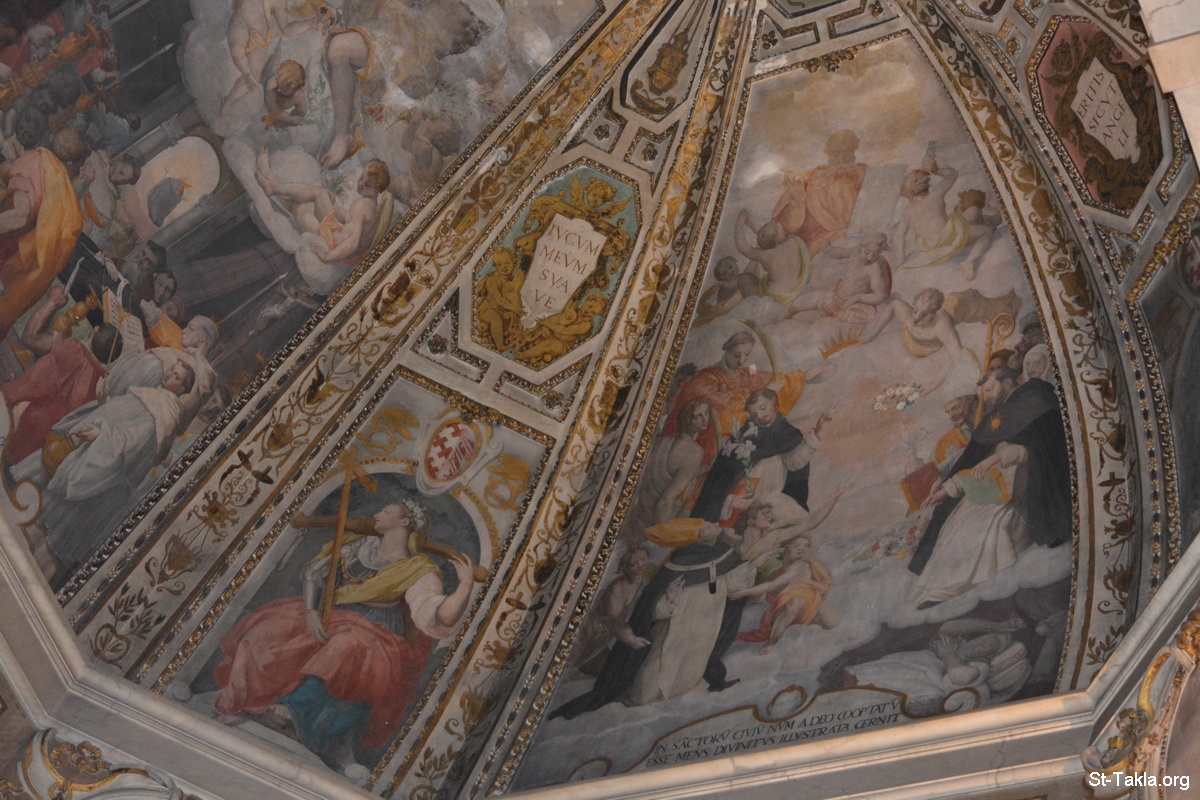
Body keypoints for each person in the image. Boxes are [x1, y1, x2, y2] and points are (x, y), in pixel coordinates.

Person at [214, 501, 475, 761]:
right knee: (269, 629)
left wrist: (464, 586)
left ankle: (292, 713)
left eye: (386, 511)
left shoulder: (418, 569)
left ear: (405, 522)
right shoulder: (360, 546)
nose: (377, 513)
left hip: (376, 629)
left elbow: (439, 614)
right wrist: (311, 612)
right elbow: (314, 573)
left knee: (345, 648)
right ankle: (253, 698)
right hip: (333, 613)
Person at [549, 519, 776, 718]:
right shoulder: (680, 561)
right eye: (708, 526)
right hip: (679, 622)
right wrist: (669, 599)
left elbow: (731, 584)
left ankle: (685, 686)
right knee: (657, 669)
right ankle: (646, 693)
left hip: (709, 617)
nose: (716, 525)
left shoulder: (724, 552)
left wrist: (755, 564)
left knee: (695, 655)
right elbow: (653, 606)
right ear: (698, 537)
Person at [909, 368, 1072, 608]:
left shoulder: (1033, 402)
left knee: (980, 525)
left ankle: (949, 588)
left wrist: (997, 458)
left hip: (1021, 488)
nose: (987, 397)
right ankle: (931, 588)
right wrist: (947, 490)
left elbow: (1038, 449)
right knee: (954, 522)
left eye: (990, 389)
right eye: (984, 392)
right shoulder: (999, 416)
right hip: (992, 485)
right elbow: (974, 462)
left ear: (1007, 383)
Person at [32, 360, 195, 570]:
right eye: (172, 369)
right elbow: (120, 414)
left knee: (54, 539)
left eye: (177, 377)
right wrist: (103, 400)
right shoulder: (154, 395)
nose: (170, 374)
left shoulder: (166, 415)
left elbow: (135, 442)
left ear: (181, 389)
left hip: (104, 477)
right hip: (92, 456)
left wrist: (102, 436)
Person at [2, 285, 123, 463]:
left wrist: (52, 302)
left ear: (95, 330)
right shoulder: (99, 388)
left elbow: (30, 337)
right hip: (28, 451)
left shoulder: (71, 348)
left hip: (11, 412)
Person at [691, 388, 831, 523]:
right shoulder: (744, 436)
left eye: (763, 408)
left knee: (801, 519)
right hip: (738, 508)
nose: (759, 415)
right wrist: (730, 500)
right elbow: (721, 479)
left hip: (769, 502)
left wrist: (817, 432)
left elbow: (794, 462)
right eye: (753, 414)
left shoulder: (788, 434)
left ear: (774, 402)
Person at [0, 128, 87, 339]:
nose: (78, 171)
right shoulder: (54, 180)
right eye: (79, 165)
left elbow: (20, 212)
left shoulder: (37, 160)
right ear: (70, 162)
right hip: (12, 251)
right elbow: (21, 215)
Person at [256, 151, 389, 266]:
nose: (360, 184)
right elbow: (348, 218)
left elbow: (353, 242)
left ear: (377, 188)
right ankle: (272, 186)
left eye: (367, 184)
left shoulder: (362, 205)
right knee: (320, 194)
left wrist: (328, 257)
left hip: (332, 243)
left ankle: (271, 185)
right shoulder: (372, 206)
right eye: (361, 178)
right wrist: (334, 205)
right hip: (337, 238)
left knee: (299, 207)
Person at [770, 129, 867, 256]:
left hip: (857, 238)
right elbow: (788, 227)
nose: (842, 160)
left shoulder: (863, 174)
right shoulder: (812, 179)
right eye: (836, 155)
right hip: (818, 244)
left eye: (848, 154)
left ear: (854, 153)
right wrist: (798, 201)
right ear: (828, 154)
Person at [733, 536, 837, 655]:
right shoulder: (774, 575)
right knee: (794, 603)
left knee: (825, 616)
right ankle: (772, 642)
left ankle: (776, 642)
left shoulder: (803, 565)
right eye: (796, 546)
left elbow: (772, 585)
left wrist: (746, 591)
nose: (802, 549)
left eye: (805, 546)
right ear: (783, 549)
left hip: (808, 610)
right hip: (783, 615)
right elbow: (756, 597)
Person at [628, 397, 714, 534]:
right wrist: (665, 536)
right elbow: (665, 500)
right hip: (651, 521)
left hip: (636, 511)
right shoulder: (694, 452)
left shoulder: (665, 441)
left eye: (706, 413)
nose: (705, 419)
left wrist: (704, 468)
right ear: (688, 420)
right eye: (698, 416)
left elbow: (674, 473)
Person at [570, 545, 650, 675]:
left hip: (614, 635)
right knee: (613, 670)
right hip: (596, 638)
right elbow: (614, 621)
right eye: (634, 563)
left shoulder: (641, 582)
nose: (640, 565)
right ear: (625, 566)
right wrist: (631, 639)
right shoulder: (618, 589)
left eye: (643, 559)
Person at [786, 232, 891, 324]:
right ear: (863, 246)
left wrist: (858, 297)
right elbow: (840, 253)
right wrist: (827, 248)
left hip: (846, 306)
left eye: (875, 254)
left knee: (797, 318)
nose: (870, 257)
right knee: (794, 305)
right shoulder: (855, 251)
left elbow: (880, 295)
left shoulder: (875, 268)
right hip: (832, 294)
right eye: (867, 252)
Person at [733, 209, 810, 305]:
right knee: (750, 271)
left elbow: (744, 248)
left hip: (777, 299)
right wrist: (746, 222)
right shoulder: (794, 241)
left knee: (744, 278)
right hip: (792, 292)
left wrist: (739, 225)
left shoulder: (767, 255)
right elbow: (768, 237)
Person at [262, 60, 309, 130]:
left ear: (294, 89)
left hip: (279, 118)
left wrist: (289, 121)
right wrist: (290, 120)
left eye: (283, 89)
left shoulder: (298, 96)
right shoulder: (272, 85)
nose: (278, 90)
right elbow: (273, 109)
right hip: (264, 109)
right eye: (279, 85)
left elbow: (302, 111)